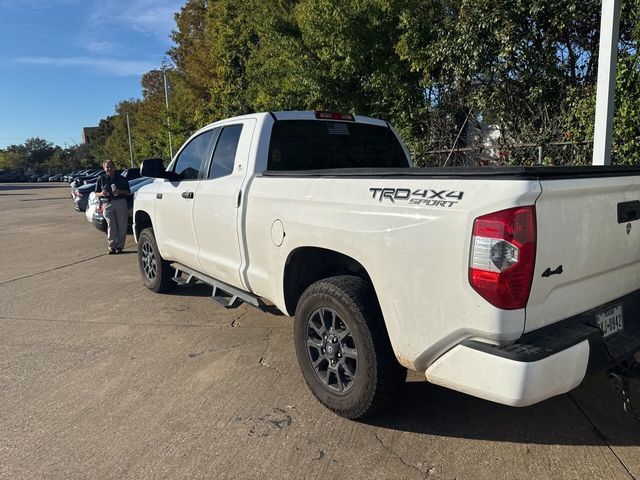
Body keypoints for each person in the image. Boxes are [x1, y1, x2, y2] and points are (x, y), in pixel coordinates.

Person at [95, 160, 130, 254]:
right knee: (111, 225)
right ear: (104, 168)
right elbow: (96, 193)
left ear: (114, 167)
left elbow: (128, 191)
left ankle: (119, 246)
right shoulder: (101, 179)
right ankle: (112, 246)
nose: (109, 168)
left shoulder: (121, 178)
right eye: (107, 167)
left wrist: (120, 191)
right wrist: (101, 193)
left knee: (121, 225)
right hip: (107, 203)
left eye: (111, 166)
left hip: (120, 202)